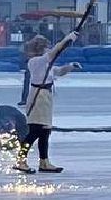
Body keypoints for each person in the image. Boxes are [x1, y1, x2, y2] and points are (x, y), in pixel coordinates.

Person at [18, 33, 82, 174]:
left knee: (45, 132)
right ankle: (21, 160)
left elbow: (58, 72)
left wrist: (70, 66)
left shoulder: (46, 63)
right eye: (46, 47)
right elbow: (53, 54)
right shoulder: (35, 61)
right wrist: (66, 39)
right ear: (40, 49)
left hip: (46, 98)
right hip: (38, 98)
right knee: (35, 131)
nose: (48, 49)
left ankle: (44, 161)